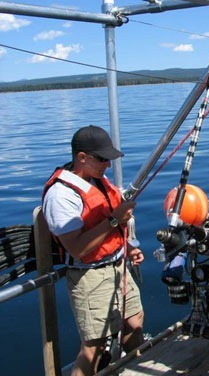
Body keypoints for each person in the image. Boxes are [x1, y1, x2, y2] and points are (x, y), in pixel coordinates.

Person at [42, 125, 145, 376]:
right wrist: (114, 219)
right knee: (95, 345)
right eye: (102, 159)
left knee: (134, 322)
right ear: (81, 157)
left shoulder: (96, 180)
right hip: (90, 276)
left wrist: (128, 247)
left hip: (117, 266)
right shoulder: (61, 196)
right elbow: (76, 248)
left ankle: (134, 369)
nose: (107, 165)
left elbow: (108, 228)